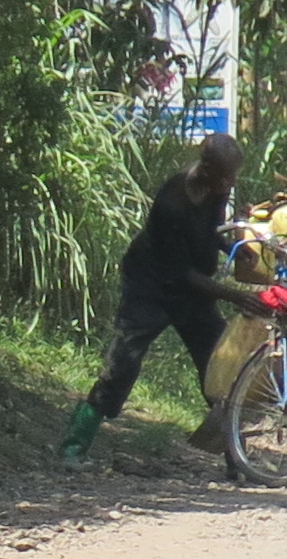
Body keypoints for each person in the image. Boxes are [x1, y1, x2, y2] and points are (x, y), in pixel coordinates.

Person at [59, 133, 249, 467]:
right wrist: (236, 295)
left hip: (193, 292)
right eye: (225, 176)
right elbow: (182, 272)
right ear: (205, 168)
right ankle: (73, 447)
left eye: (233, 176)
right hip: (151, 287)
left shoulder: (218, 187)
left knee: (219, 367)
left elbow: (212, 229)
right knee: (123, 364)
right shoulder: (172, 201)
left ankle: (239, 458)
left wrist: (236, 249)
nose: (229, 183)